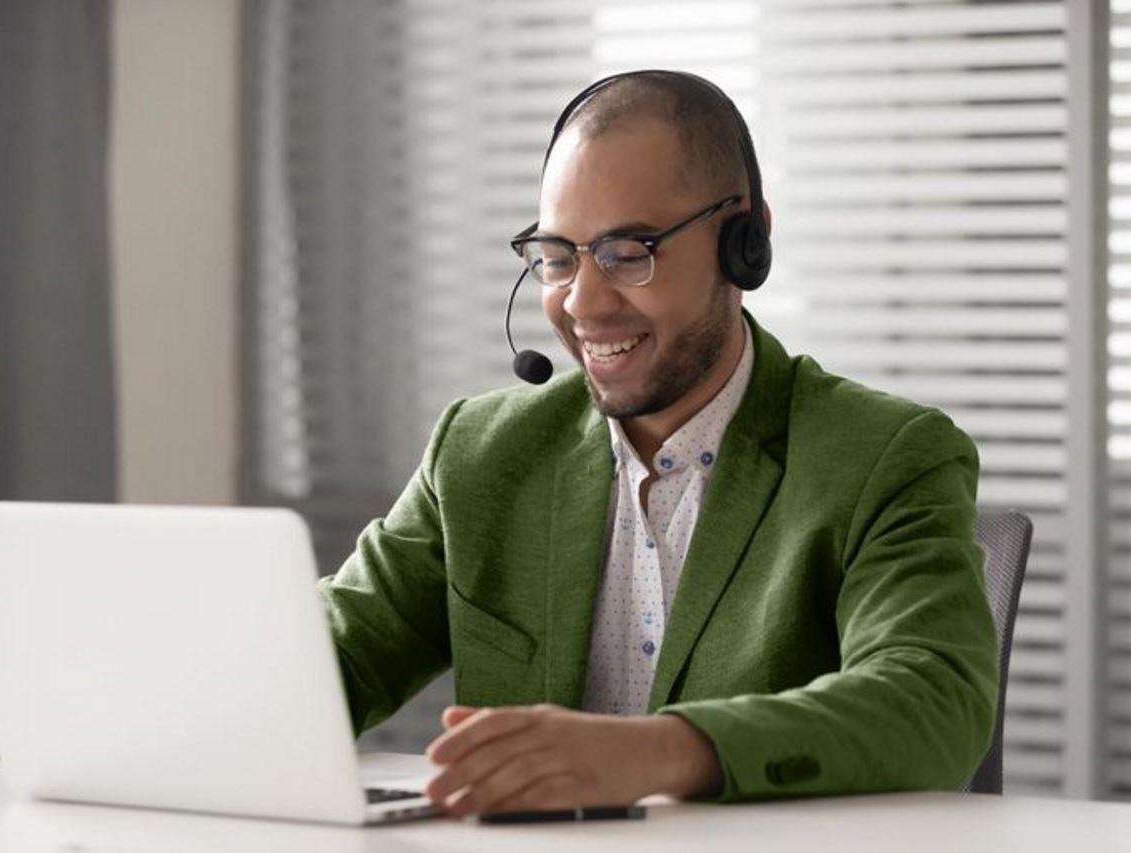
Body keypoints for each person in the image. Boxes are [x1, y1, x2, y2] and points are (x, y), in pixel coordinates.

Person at [316, 70, 998, 816]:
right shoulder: (480, 454)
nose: (581, 302)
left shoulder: (885, 454)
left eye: (627, 251)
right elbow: (330, 655)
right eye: (557, 255)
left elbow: (933, 699)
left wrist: (657, 750)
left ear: (745, 241)